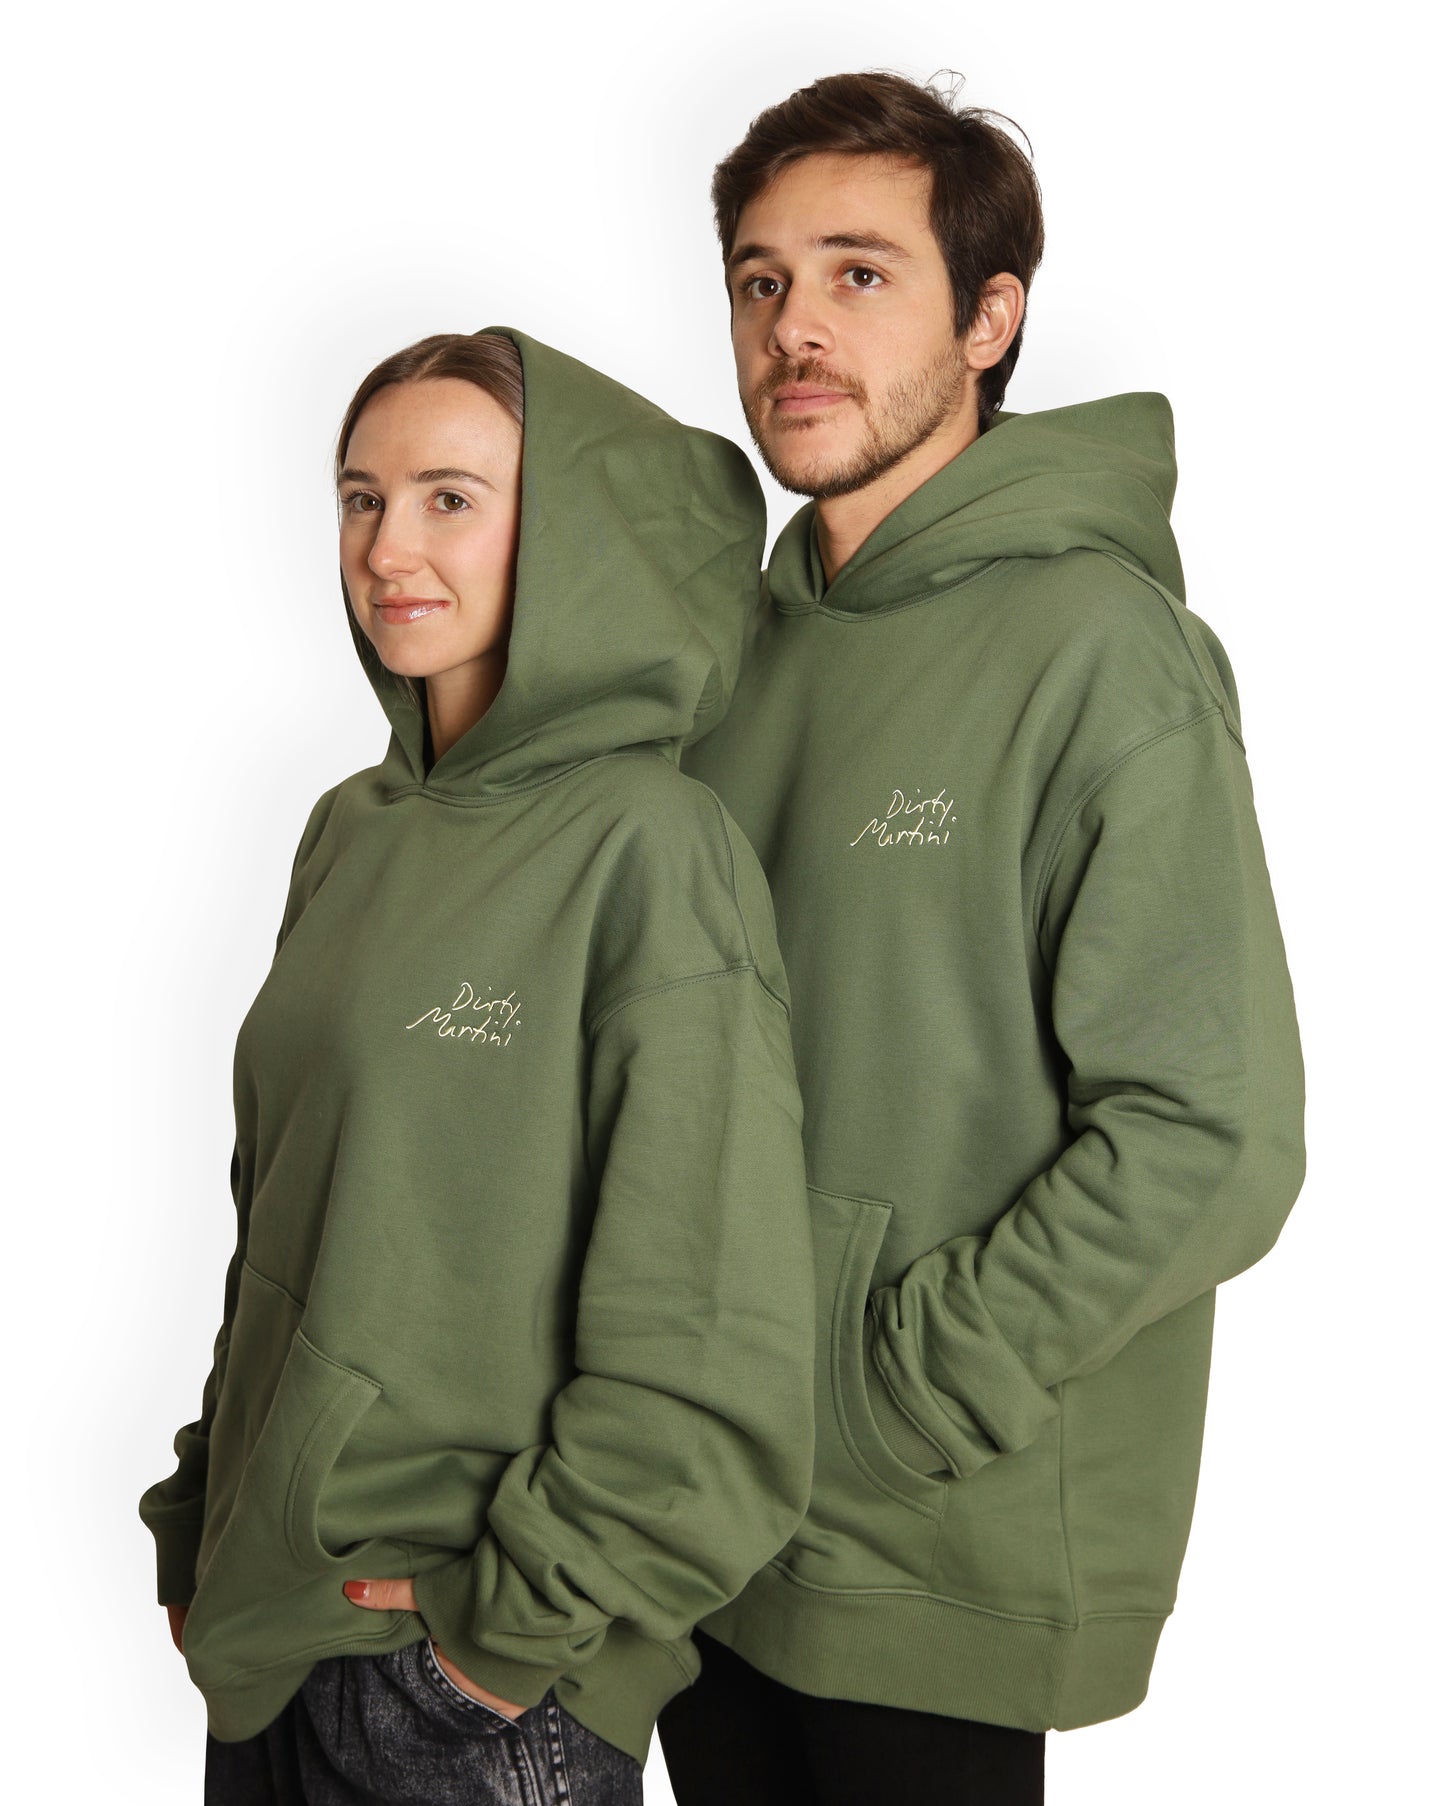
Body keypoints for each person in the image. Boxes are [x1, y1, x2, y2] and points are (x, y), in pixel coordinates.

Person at [658, 71, 1307, 1806]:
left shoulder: (1099, 650)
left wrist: (896, 1388)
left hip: (927, 1537)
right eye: (759, 280)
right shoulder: (721, 660)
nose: (793, 328)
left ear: (989, 319)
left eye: (859, 274)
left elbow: (1212, 1132)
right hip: (692, 1521)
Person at [138, 327, 816, 1806]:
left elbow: (709, 1317)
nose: (388, 547)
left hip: (472, 1689)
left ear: (568, 538)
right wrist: (201, 1510)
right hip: (271, 1636)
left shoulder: (651, 845)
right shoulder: (350, 828)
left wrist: (499, 1639)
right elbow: (290, 1219)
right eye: (361, 497)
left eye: (450, 498)